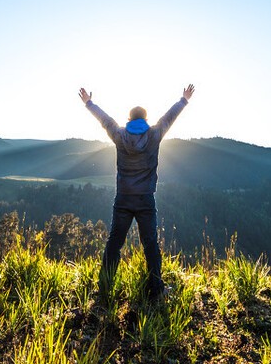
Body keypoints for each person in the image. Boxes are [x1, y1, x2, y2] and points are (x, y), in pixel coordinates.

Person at [78, 83, 194, 300]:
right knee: (150, 243)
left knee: (114, 242)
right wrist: (183, 100)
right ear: (145, 120)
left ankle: (104, 288)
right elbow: (169, 118)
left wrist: (89, 103)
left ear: (129, 120)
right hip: (145, 199)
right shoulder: (154, 135)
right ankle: (156, 290)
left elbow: (105, 120)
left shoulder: (120, 135)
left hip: (123, 198)